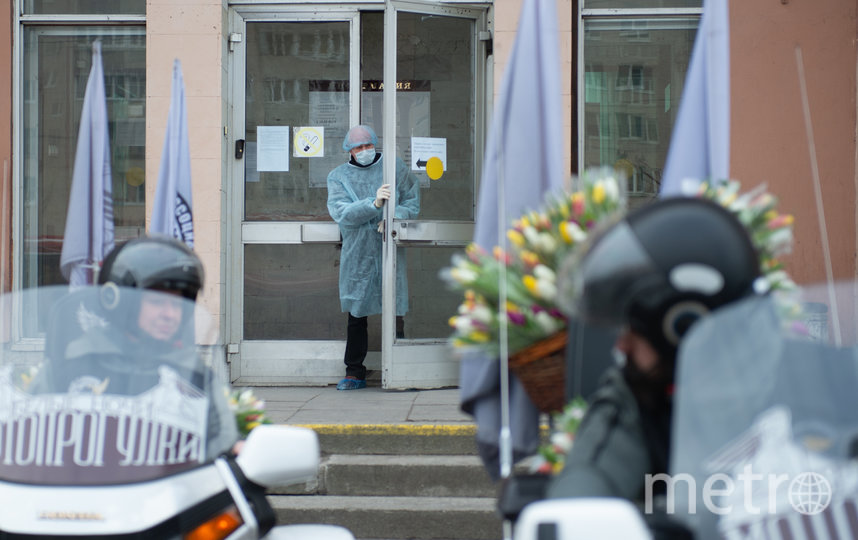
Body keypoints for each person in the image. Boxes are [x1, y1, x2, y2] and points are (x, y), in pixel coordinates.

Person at [546, 198, 762, 514]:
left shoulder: (809, 385)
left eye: (634, 331)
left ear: (685, 326)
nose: (621, 347)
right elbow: (595, 465)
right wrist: (576, 511)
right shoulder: (639, 398)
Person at [326, 125, 420, 390]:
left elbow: (412, 201)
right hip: (359, 253)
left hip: (390, 245)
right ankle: (355, 371)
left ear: (375, 144)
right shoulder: (338, 177)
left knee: (396, 309)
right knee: (357, 313)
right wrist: (373, 204)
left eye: (367, 146)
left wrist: (394, 217)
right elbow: (341, 212)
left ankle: (401, 367)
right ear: (349, 150)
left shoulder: (394, 168)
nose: (363, 151)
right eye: (357, 148)